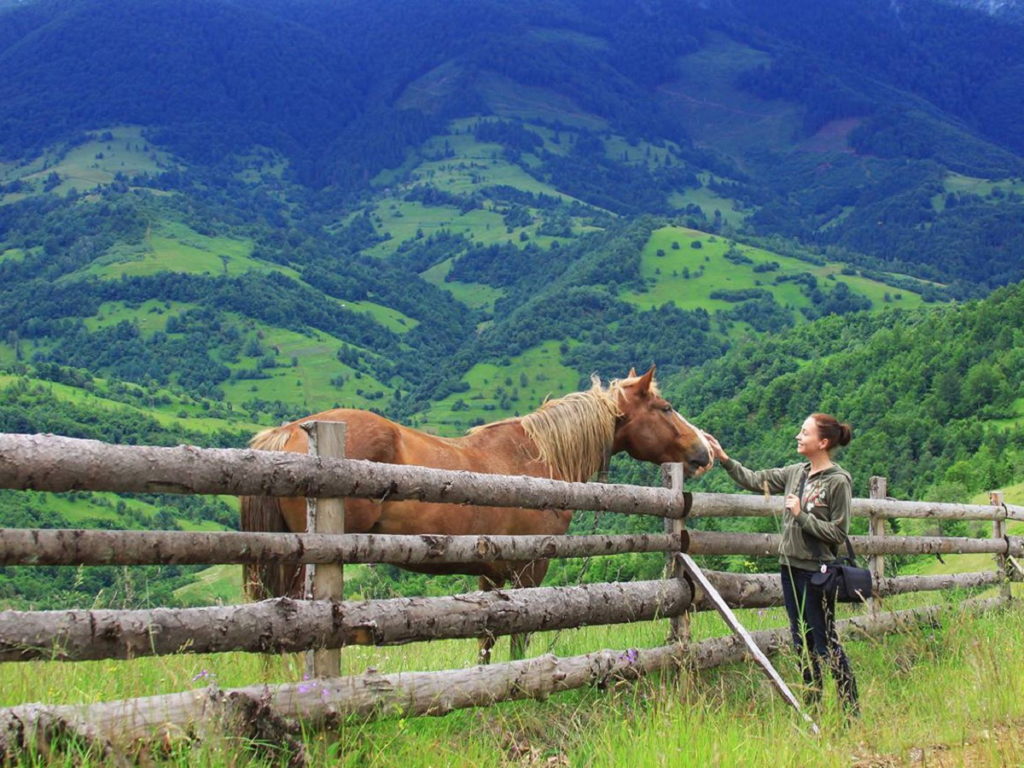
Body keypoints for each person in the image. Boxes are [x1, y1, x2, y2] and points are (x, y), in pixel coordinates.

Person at [703, 413, 859, 715]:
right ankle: (813, 708)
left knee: (825, 643)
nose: (798, 437)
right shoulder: (795, 473)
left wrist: (801, 515)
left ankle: (850, 709)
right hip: (789, 569)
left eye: (805, 433)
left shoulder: (838, 482)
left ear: (823, 442)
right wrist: (724, 458)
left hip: (817, 573)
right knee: (800, 640)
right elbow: (755, 480)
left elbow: (838, 533)